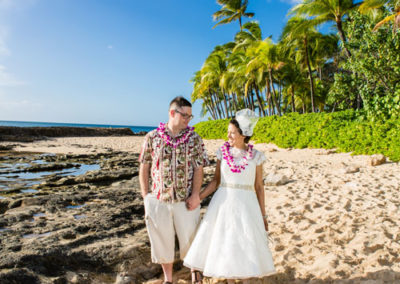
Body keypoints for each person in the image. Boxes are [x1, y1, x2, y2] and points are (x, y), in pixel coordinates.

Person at [183, 109, 276, 282]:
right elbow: (215, 181)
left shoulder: (256, 156)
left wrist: (264, 215)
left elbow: (259, 187)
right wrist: (199, 197)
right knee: (225, 242)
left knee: (245, 243)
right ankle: (229, 279)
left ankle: (246, 278)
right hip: (223, 203)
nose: (228, 136)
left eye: (232, 133)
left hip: (247, 205)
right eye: (228, 132)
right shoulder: (222, 153)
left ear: (243, 134)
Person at [139, 96, 209, 284]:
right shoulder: (152, 137)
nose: (188, 119)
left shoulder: (195, 139)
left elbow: (199, 168)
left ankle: (196, 274)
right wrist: (146, 197)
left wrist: (196, 194)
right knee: (162, 241)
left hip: (185, 200)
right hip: (158, 200)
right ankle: (168, 279)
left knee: (192, 238)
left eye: (190, 116)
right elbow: (144, 167)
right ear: (172, 113)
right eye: (185, 115)